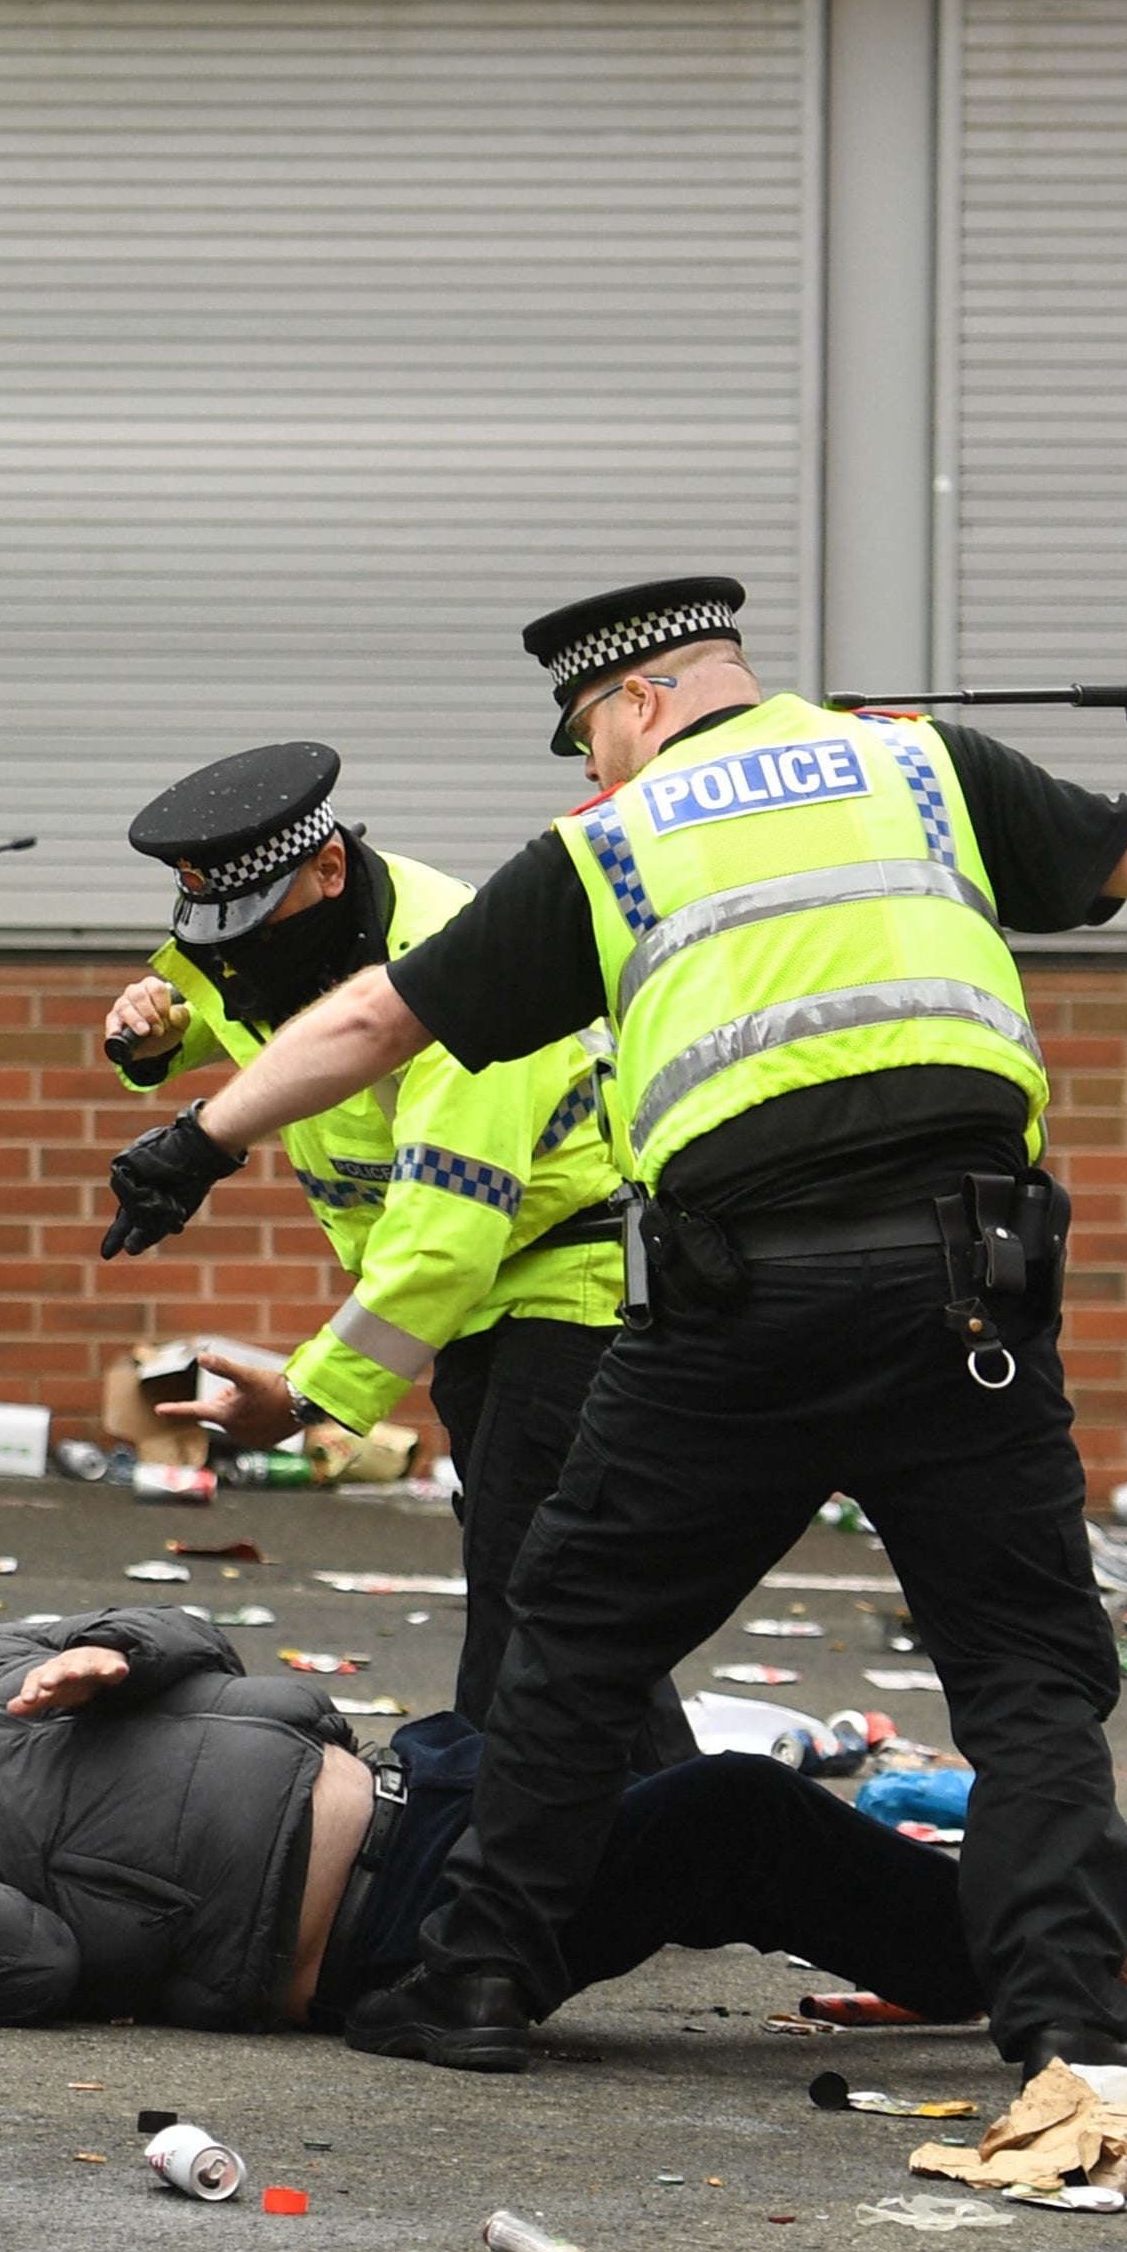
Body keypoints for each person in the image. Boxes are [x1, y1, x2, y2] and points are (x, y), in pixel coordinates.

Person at [95, 576, 1127, 2075]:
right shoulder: (921, 765)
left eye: (588, 728)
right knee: (1026, 1677)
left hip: (729, 1304)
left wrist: (200, 1137)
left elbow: (383, 1017)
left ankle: (469, 1988)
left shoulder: (612, 840)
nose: (587, 765)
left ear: (641, 699)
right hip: (965, 1292)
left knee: (570, 1644)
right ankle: (1062, 2027)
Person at [0, 1621, 1127, 2044]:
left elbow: (181, 1636)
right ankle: (1067, 1975)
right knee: (720, 1813)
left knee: (660, 1780)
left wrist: (121, 1649)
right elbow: (38, 1967)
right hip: (390, 1939)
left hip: (417, 1786)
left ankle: (981, 1936)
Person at [103, 743, 677, 1751]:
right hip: (487, 1305)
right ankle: (646, 1844)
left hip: (564, 1286)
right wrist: (165, 1035)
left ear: (329, 866)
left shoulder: (455, 963)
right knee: (552, 1597)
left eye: (253, 927)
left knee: (532, 1601)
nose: (238, 958)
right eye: (217, 937)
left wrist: (309, 1397)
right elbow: (275, 1019)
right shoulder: (302, 938)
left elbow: (447, 1235)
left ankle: (493, 1863)